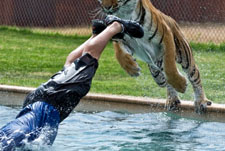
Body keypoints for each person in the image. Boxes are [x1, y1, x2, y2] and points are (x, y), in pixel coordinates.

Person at [0, 15, 144, 150]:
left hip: (51, 102)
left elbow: (20, 136)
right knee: (70, 66)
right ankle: (96, 34)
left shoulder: (11, 142)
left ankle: (116, 26)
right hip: (37, 105)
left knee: (89, 58)